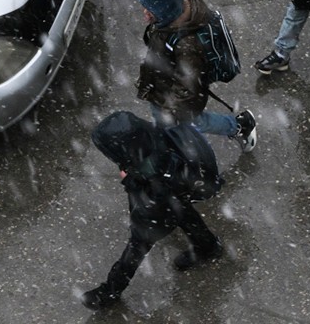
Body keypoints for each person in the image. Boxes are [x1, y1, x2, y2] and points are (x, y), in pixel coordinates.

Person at [81, 111, 223, 309]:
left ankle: (110, 291)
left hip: (166, 198)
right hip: (180, 189)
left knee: (138, 245)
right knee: (182, 212)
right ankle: (208, 247)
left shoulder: (153, 169)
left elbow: (149, 206)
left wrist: (129, 181)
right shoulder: (154, 134)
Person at [136, 0, 257, 151]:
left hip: (170, 96)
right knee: (178, 124)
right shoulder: (173, 15)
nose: (145, 13)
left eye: (150, 10)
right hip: (163, 87)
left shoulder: (188, 46)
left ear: (167, 10)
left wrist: (169, 109)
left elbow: (187, 88)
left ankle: (239, 126)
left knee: (191, 123)